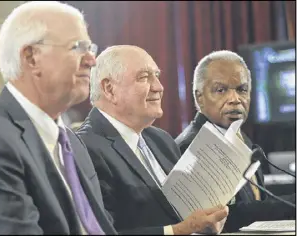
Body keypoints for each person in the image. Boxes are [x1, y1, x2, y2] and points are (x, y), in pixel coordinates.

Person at [0, 1, 116, 234]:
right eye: (78, 47)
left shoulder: (72, 143)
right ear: (31, 57)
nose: (91, 60)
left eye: (91, 48)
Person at [76, 45, 229, 235]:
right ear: (109, 89)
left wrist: (208, 220)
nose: (159, 87)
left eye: (156, 75)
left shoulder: (161, 140)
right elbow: (101, 232)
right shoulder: (85, 148)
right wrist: (180, 230)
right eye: (144, 77)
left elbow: (185, 212)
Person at [175, 50, 296, 232]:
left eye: (242, 90)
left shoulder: (240, 137)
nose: (235, 99)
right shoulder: (192, 146)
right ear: (199, 96)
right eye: (220, 90)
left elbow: (256, 203)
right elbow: (222, 217)